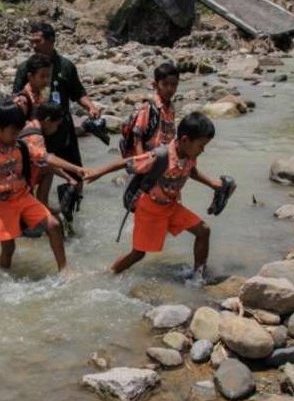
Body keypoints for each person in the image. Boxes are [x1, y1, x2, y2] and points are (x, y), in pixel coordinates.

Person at [87, 113, 225, 280]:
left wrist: (212, 183)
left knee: (203, 231)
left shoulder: (190, 155)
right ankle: (109, 274)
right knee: (138, 253)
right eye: (201, 146)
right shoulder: (160, 156)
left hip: (171, 206)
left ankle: (198, 275)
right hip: (150, 209)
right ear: (185, 140)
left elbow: (192, 171)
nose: (203, 150)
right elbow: (127, 162)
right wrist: (98, 172)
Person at [0, 100, 69, 274]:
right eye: (13, 132)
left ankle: (65, 269)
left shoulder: (21, 146)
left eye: (18, 132)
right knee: (8, 248)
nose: (16, 136)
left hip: (23, 197)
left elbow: (45, 157)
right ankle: (4, 277)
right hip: (1, 204)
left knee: (53, 225)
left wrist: (76, 170)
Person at [12, 23, 100, 174]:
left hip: (62, 127)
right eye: (31, 41)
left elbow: (78, 92)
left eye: (37, 41)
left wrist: (90, 107)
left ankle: (72, 196)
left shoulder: (66, 66)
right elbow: (16, 98)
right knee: (40, 174)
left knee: (76, 174)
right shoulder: (26, 68)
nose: (33, 45)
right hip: (37, 132)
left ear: (51, 41)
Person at [20, 102, 87, 207]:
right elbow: (46, 158)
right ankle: (41, 207)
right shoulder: (35, 136)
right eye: (57, 125)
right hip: (19, 184)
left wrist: (68, 178)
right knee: (47, 168)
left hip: (21, 175)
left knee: (48, 169)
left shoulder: (28, 125)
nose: (57, 129)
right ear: (47, 121)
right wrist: (76, 169)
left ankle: (43, 204)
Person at [121, 62, 179, 158]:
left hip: (160, 156)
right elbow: (137, 136)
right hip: (145, 157)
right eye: (165, 84)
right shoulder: (149, 107)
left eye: (174, 85)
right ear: (155, 85)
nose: (170, 89)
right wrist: (142, 162)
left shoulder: (171, 108)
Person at [14, 53, 52, 120]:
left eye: (48, 76)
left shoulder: (40, 94)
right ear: (30, 76)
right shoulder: (22, 100)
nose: (46, 80)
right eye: (42, 76)